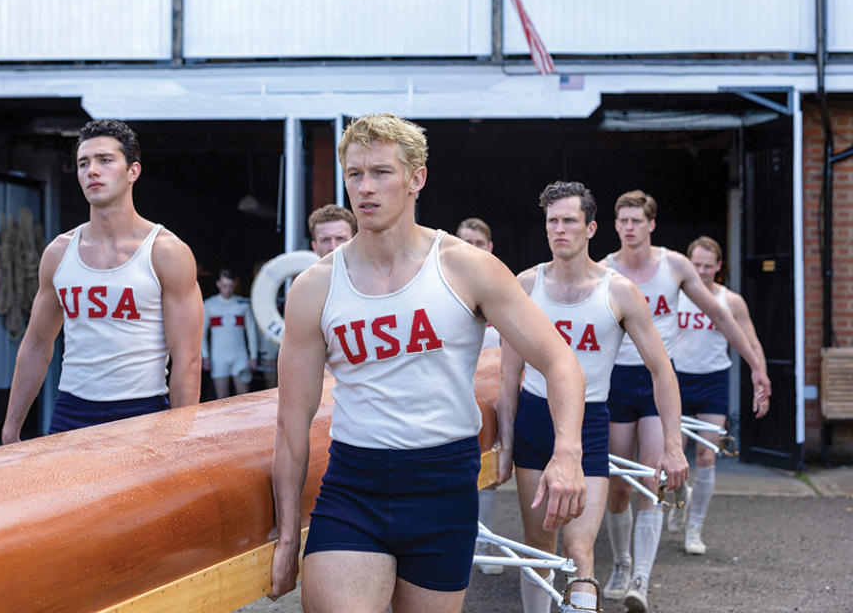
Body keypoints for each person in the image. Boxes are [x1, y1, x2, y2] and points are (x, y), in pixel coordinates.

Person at [269, 113, 587, 613]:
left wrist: (567, 452)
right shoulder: (315, 286)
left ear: (416, 178)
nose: (365, 188)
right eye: (355, 174)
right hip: (356, 485)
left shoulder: (465, 267)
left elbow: (559, 360)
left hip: (442, 485)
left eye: (381, 172)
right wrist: (288, 534)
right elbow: (292, 420)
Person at [497, 182, 686, 613]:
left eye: (569, 221)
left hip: (591, 423)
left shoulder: (618, 292)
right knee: (538, 547)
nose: (559, 229)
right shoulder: (525, 285)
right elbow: (508, 376)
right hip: (534, 419)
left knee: (580, 549)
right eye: (552, 221)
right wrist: (506, 445)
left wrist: (673, 445)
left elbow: (662, 369)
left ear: (591, 228)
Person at [600, 190, 771, 612]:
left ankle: (641, 578)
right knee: (619, 486)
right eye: (622, 220)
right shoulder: (604, 269)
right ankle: (621, 564)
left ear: (651, 224)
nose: (629, 227)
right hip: (617, 382)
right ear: (614, 224)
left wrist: (755, 365)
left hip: (661, 381)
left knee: (651, 480)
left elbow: (719, 314)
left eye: (637, 220)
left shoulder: (673, 265)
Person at [1, 119, 203, 443]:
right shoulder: (58, 252)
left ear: (132, 171)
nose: (92, 170)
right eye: (84, 163)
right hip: (71, 412)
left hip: (143, 412)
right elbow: (37, 345)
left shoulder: (166, 251)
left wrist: (178, 440)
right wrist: (11, 428)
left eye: (105, 160)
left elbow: (188, 359)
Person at [667, 235, 768, 555]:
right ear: (688, 262)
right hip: (678, 381)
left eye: (708, 266)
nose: (702, 271)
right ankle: (680, 500)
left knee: (707, 456)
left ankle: (694, 529)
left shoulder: (731, 301)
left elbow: (751, 342)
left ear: (719, 267)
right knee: (675, 459)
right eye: (696, 265)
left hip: (713, 382)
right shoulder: (674, 295)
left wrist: (760, 378)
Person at [454, 216, 502, 575]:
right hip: (453, 398)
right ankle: (459, 541)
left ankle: (484, 541)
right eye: (463, 241)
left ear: (489, 248)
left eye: (477, 243)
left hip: (490, 397)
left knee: (488, 475)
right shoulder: (443, 290)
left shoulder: (500, 290)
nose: (470, 248)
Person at [202, 269, 257, 398]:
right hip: (218, 357)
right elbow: (202, 332)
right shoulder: (210, 305)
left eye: (231, 286)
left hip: (240, 357)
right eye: (225, 286)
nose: (228, 290)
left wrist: (253, 355)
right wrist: (205, 356)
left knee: (244, 398)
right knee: (222, 398)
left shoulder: (243, 304)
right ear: (218, 284)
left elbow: (251, 331)